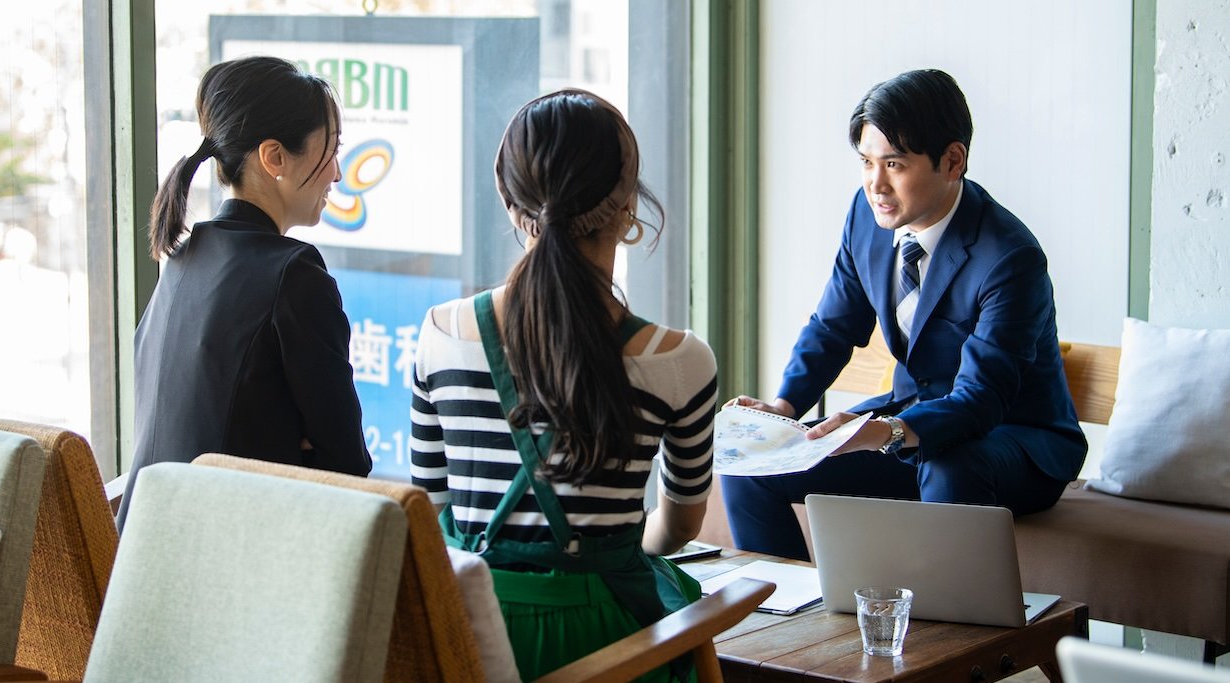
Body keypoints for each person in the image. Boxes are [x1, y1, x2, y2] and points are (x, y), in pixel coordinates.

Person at [409, 89, 717, 681]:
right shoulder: (679, 360)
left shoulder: (440, 334)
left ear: (509, 201)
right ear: (627, 208)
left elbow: (435, 512)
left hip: (467, 635)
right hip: (613, 646)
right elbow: (678, 528)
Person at [722, 69, 1086, 560]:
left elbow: (982, 399)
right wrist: (787, 409)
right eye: (866, 162)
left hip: (1014, 442)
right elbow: (834, 326)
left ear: (952, 161)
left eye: (894, 163)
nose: (876, 184)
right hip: (913, 424)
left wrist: (887, 431)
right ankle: (794, 617)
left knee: (949, 465)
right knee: (753, 466)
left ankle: (941, 636)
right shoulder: (867, 218)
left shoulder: (1009, 257)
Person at [118, 56, 372, 530]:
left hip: (140, 562)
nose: (336, 173)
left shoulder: (181, 258)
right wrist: (289, 444)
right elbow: (348, 464)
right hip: (227, 571)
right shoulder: (294, 273)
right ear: (274, 157)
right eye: (331, 150)